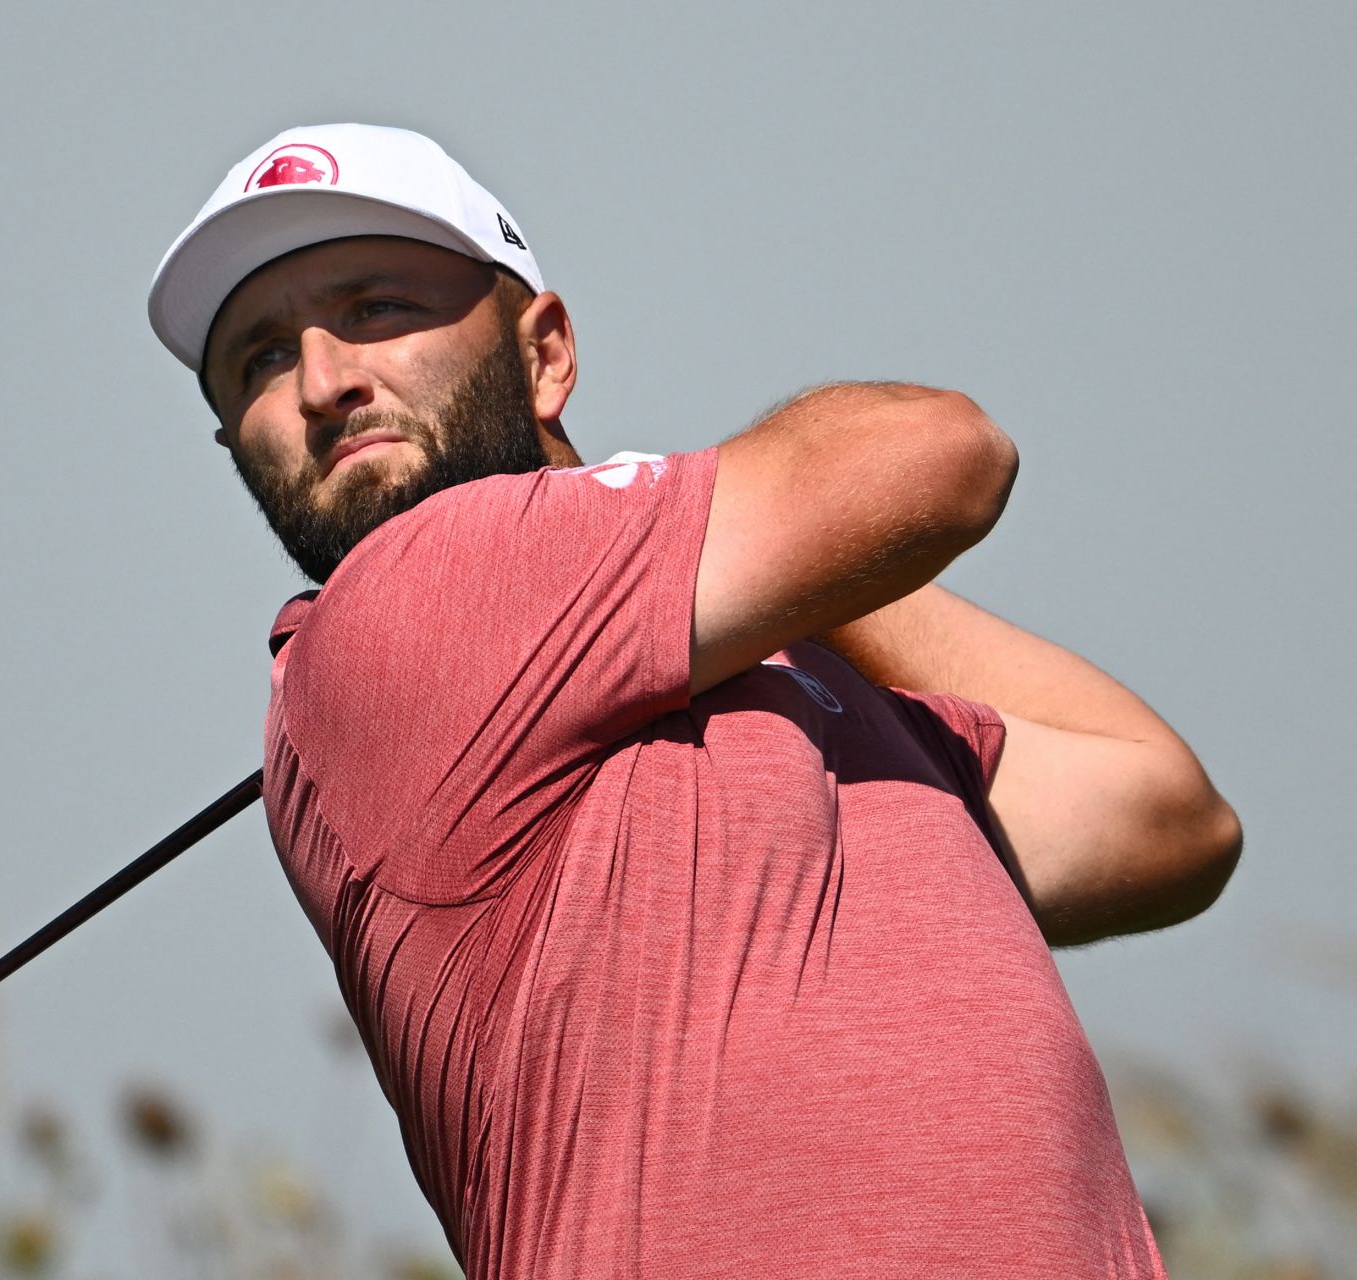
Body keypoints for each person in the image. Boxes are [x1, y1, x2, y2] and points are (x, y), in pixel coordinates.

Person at [147, 124, 1240, 1278]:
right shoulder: (395, 607)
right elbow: (939, 452)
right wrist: (759, 537)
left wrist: (767, 581)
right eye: (263, 357)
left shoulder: (803, 692)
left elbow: (1170, 814)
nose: (323, 381)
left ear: (546, 352)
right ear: (236, 442)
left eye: (374, 307)